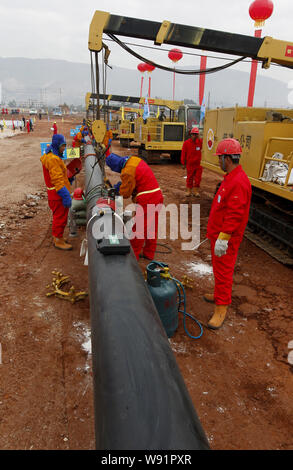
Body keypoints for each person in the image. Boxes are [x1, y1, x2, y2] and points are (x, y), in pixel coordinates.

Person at [205, 138, 252, 330]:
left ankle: (221, 308)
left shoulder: (238, 182)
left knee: (224, 271)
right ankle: (218, 295)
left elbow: (234, 214)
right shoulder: (231, 178)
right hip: (218, 235)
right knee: (218, 268)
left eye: (220, 158)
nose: (218, 162)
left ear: (227, 158)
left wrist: (223, 239)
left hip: (226, 238)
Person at [106, 152, 164, 261]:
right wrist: (122, 184)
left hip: (147, 199)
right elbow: (135, 180)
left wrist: (118, 188)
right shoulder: (133, 160)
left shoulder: (127, 171)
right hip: (157, 195)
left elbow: (126, 193)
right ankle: (149, 253)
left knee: (138, 229)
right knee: (151, 227)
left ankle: (132, 255)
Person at [40, 134, 73, 251]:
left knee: (59, 216)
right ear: (57, 145)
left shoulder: (50, 156)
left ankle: (59, 237)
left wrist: (68, 178)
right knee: (60, 217)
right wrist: (65, 195)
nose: (64, 148)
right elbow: (57, 180)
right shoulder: (53, 159)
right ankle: (58, 240)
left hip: (54, 194)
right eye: (62, 146)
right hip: (57, 194)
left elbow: (58, 175)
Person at [181, 126, 203, 198]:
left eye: (196, 134)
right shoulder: (186, 143)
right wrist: (183, 163)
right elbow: (183, 154)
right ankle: (189, 191)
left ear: (198, 135)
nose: (194, 136)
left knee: (198, 178)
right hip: (190, 164)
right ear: (190, 134)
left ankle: (196, 191)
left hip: (198, 164)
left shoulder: (200, 142)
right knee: (189, 178)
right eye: (193, 134)